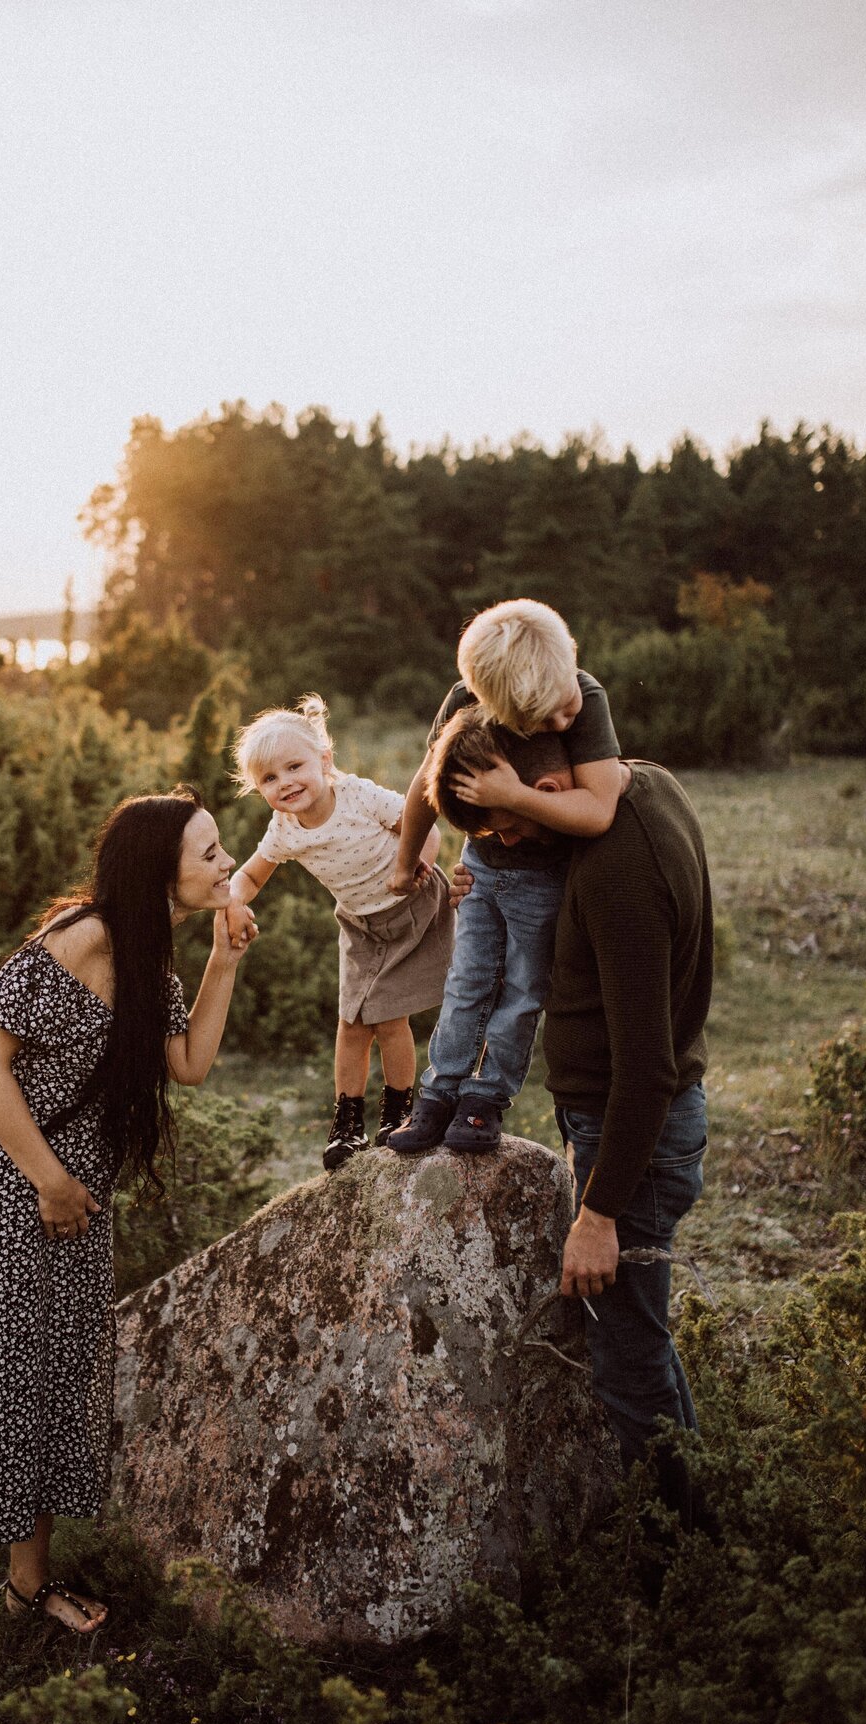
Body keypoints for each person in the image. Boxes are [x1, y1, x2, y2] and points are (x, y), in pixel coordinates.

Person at [0, 788, 255, 1688]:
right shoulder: (82, 937)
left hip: (73, 1212)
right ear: (159, 869)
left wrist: (225, 961)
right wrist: (51, 1180)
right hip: (0, 1203)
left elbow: (187, 1067)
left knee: (48, 1392)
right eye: (211, 853)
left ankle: (27, 1589)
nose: (226, 865)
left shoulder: (153, 959)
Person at [429, 714, 713, 1523]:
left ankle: (679, 1562)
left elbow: (647, 1071)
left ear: (547, 788)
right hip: (633, 1129)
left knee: (626, 1362)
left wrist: (599, 1213)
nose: (507, 846)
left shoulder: (617, 878)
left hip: (634, 1142)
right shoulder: (642, 779)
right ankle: (696, 1532)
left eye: (509, 829)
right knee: (642, 1338)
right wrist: (482, 877)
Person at [389, 598, 622, 1154]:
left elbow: (598, 809)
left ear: (571, 657)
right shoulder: (467, 699)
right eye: (545, 722)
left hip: (544, 881)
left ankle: (483, 1100)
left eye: (563, 708)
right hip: (480, 866)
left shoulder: (586, 697)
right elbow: (429, 781)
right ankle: (439, 1093)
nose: (564, 722)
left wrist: (512, 796)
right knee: (465, 981)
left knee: (521, 990)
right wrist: (405, 862)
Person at [227, 694, 453, 1169]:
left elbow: (426, 822)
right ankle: (347, 1124)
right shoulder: (284, 828)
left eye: (294, 767)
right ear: (258, 788)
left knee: (389, 1020)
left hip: (409, 909)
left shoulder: (357, 795)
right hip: (360, 926)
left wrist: (416, 865)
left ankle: (398, 1114)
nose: (285, 783)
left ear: (324, 761)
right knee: (351, 1024)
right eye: (269, 778)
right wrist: (229, 902)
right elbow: (249, 876)